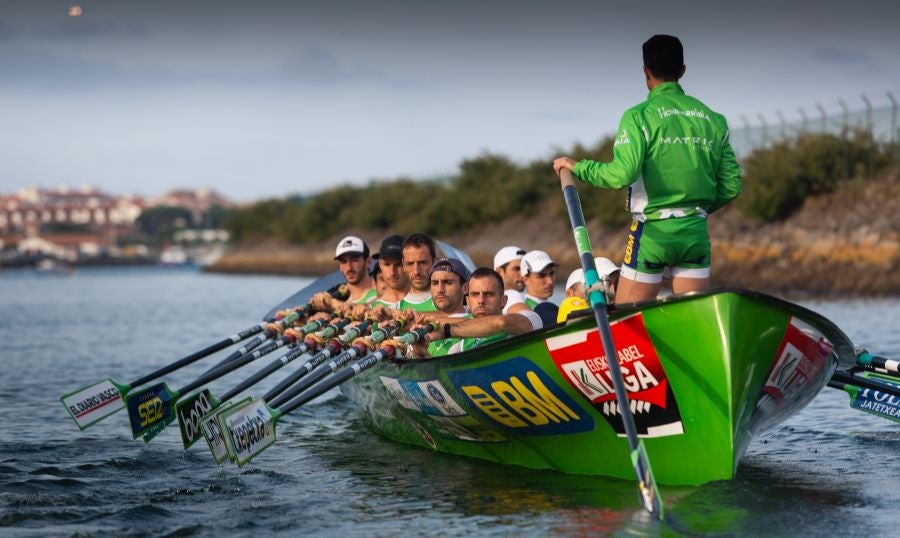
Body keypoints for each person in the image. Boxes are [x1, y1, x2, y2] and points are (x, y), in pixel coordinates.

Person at [552, 34, 742, 304]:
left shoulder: (638, 116)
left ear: (645, 72)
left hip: (653, 235)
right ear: (683, 71)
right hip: (694, 231)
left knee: (624, 322)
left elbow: (621, 175)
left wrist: (578, 166)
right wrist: (694, 207)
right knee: (694, 319)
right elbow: (732, 185)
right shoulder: (714, 120)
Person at [413, 267, 542, 357]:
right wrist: (422, 353)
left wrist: (446, 331)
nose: (481, 301)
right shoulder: (460, 347)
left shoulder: (530, 319)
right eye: (475, 294)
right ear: (468, 301)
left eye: (488, 294)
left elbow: (500, 322)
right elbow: (441, 380)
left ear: (503, 301)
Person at [310, 235, 376, 311]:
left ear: (368, 262)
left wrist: (331, 303)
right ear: (340, 267)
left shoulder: (381, 293)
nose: (349, 268)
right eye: (343, 262)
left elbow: (368, 312)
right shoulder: (340, 297)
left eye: (355, 260)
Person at [397, 233, 438, 313]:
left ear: (435, 262)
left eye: (422, 263)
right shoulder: (395, 307)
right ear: (403, 265)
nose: (416, 271)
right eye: (410, 263)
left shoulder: (452, 301)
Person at [370, 234, 409, 308]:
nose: (392, 272)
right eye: (387, 264)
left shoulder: (434, 301)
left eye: (398, 264)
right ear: (380, 265)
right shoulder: (370, 309)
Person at [493, 245, 532, 316]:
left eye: (524, 269)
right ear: (499, 272)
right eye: (517, 269)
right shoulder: (511, 295)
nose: (523, 274)